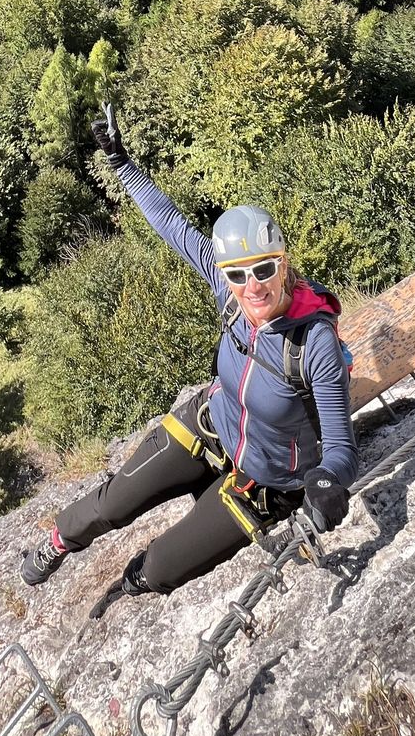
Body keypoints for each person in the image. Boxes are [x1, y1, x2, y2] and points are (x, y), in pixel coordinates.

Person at [20, 106, 359, 618]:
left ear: (283, 263)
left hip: (266, 479)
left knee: (160, 569)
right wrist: (121, 163)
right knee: (113, 503)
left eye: (265, 269)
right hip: (211, 424)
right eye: (238, 275)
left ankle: (129, 585)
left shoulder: (314, 344)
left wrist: (328, 481)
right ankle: (58, 542)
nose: (253, 286)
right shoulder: (231, 294)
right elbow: (173, 227)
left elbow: (340, 446)